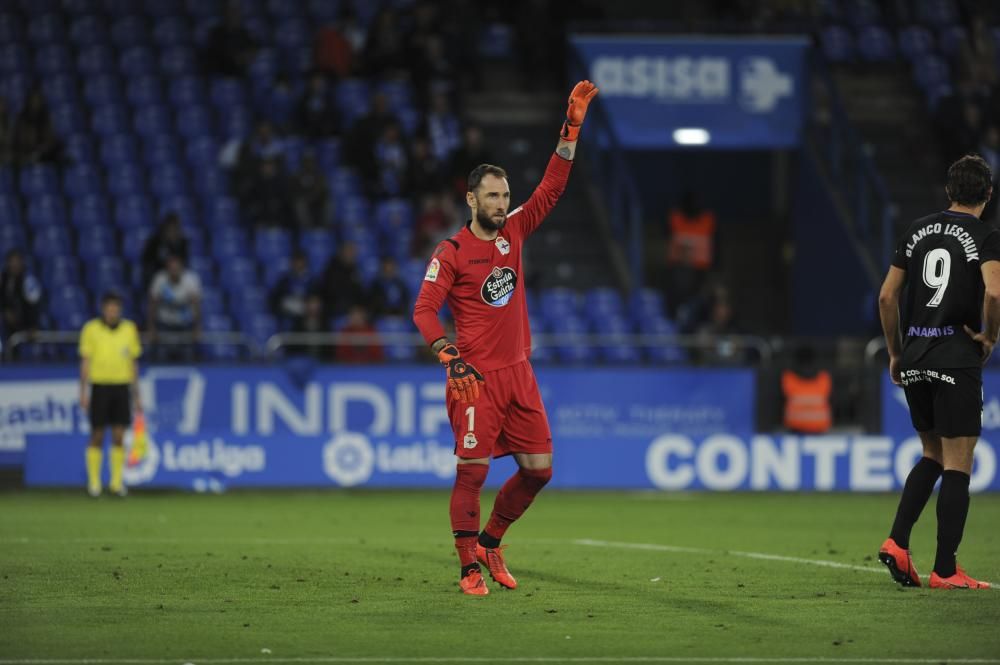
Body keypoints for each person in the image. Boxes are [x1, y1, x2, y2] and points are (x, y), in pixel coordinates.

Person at [412, 80, 598, 595]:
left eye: (505, 195)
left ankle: (492, 542)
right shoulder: (450, 252)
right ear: (471, 198)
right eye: (492, 195)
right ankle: (468, 566)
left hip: (519, 372)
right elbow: (424, 309)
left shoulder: (515, 231)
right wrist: (448, 356)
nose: (501, 202)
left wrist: (571, 129)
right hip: (474, 376)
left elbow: (553, 187)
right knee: (471, 473)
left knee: (539, 471)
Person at [877, 154, 999, 590]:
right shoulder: (986, 236)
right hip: (955, 355)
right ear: (988, 194)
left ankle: (897, 541)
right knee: (959, 464)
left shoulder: (917, 230)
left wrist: (895, 352)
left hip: (915, 356)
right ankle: (946, 569)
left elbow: (888, 298)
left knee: (932, 453)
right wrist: (989, 336)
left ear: (949, 192)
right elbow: (996, 291)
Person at [79, 292, 141, 497]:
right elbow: (85, 362)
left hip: (121, 387)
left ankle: (116, 483)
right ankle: (94, 483)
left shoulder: (129, 329)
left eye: (116, 309)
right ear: (103, 309)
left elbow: (133, 363)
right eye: (109, 308)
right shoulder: (91, 329)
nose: (112, 312)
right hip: (100, 386)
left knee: (119, 435)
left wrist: (137, 394)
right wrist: (83, 391)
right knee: (97, 434)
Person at [148, 254, 202, 361]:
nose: (174, 271)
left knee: (188, 357)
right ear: (167, 269)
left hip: (185, 324)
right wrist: (151, 327)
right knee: (161, 357)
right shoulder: (160, 279)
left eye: (177, 268)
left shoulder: (191, 280)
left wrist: (197, 328)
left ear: (182, 269)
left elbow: (196, 305)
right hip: (164, 324)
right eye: (171, 269)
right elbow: (152, 305)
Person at [201, 0, 257, 77]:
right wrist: (237, 58)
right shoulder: (216, 33)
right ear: (225, 13)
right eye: (232, 12)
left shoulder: (243, 32)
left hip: (241, 75)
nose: (234, 15)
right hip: (220, 74)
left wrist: (249, 55)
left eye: (236, 12)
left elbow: (254, 48)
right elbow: (216, 56)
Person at [0, 249, 42, 351]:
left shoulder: (28, 280)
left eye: (17, 261)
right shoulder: (3, 278)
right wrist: (5, 312)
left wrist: (33, 325)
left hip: (24, 320)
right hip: (5, 319)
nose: (15, 265)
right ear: (8, 263)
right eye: (12, 261)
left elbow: (33, 304)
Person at [13, 86, 61, 165]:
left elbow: (49, 138)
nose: (35, 103)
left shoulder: (45, 118)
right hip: (24, 151)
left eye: (38, 100)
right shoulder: (22, 118)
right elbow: (19, 139)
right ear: (29, 101)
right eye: (34, 100)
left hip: (43, 154)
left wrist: (41, 149)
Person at [270, 250, 317, 330]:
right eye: (296, 262)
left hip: (306, 316)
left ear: (305, 262)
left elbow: (316, 299)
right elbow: (275, 300)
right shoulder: (285, 281)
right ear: (292, 263)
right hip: (288, 316)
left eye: (300, 261)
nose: (298, 264)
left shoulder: (312, 281)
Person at [141, 212, 189, 289]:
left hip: (177, 275)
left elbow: (185, 260)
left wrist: (175, 269)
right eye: (170, 228)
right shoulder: (155, 242)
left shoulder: (182, 242)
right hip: (159, 273)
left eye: (174, 228)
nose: (172, 231)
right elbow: (146, 260)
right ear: (165, 228)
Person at [322, 242, 366, 318]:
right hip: (336, 306)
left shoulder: (355, 269)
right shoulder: (332, 269)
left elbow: (359, 291)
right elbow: (332, 291)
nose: (351, 255)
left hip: (353, 307)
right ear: (341, 253)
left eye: (353, 253)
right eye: (348, 252)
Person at [291, 151, 332, 228]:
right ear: (303, 162)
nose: (309, 164)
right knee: (299, 204)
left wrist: (312, 197)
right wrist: (306, 197)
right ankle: (307, 228)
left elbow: (322, 190)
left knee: (329, 203)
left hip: (318, 201)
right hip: (304, 200)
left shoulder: (319, 175)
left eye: (311, 161)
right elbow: (295, 191)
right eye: (307, 161)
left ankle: (326, 227)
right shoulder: (297, 175)